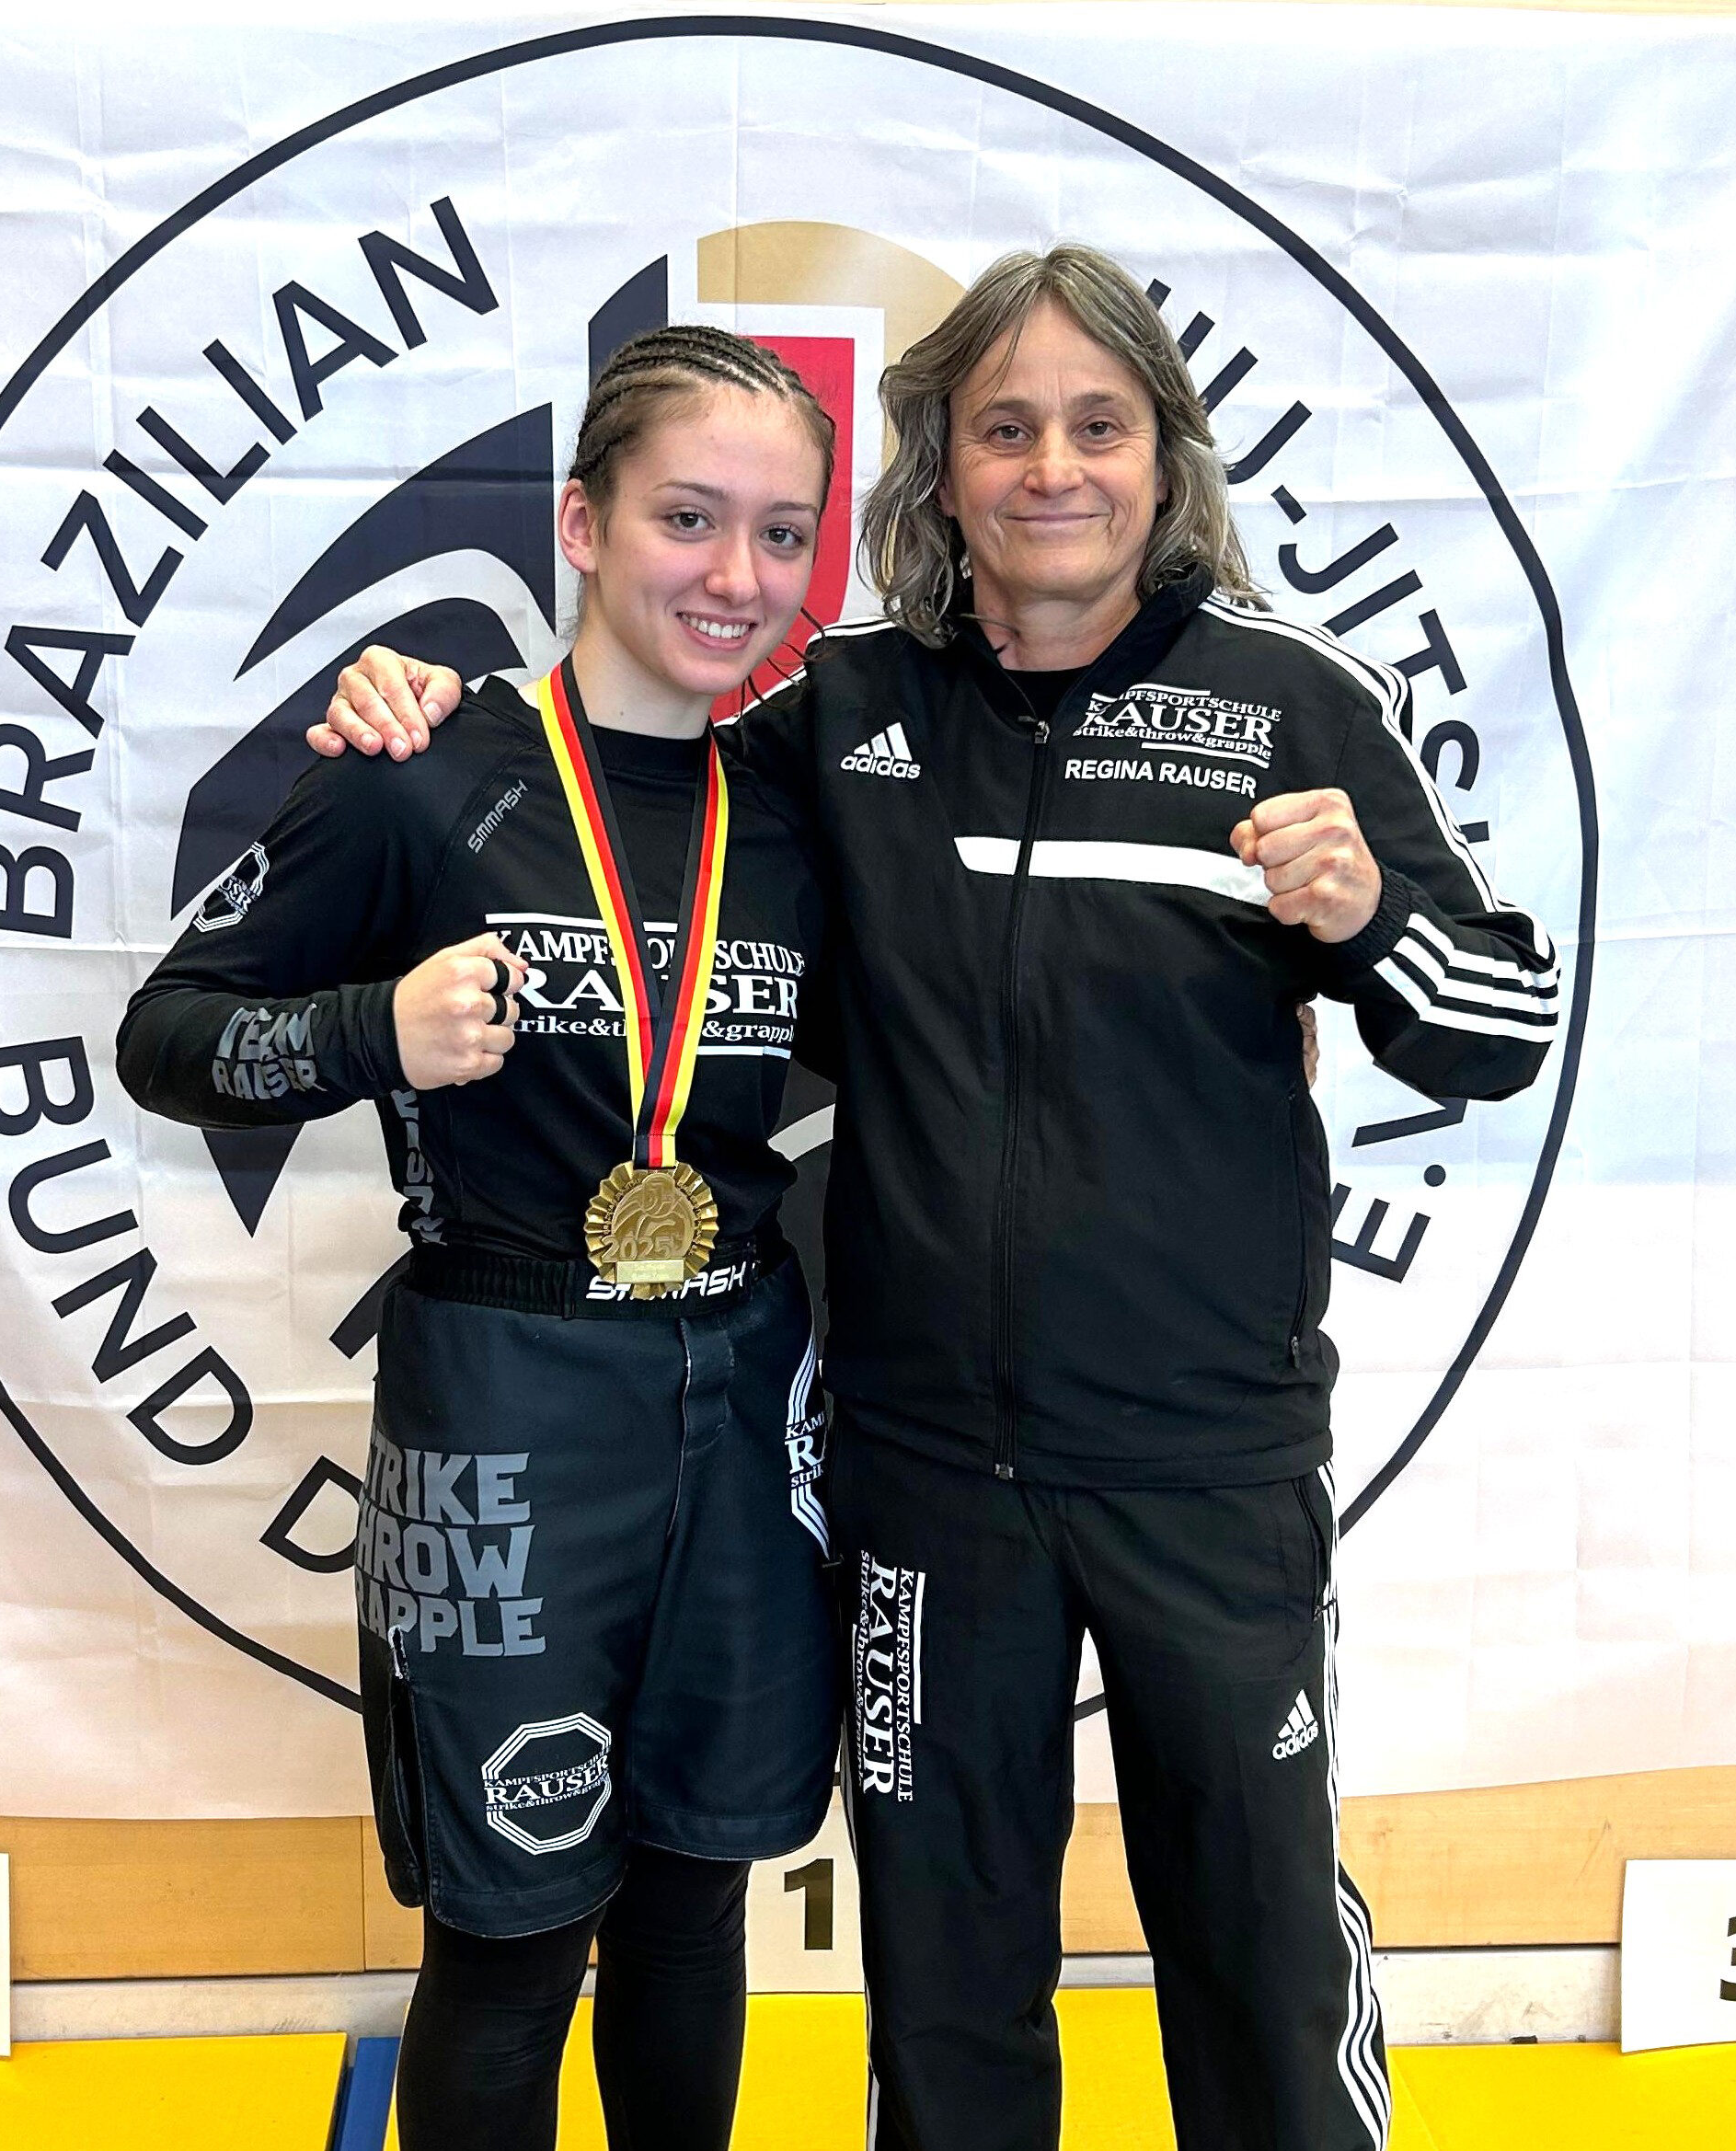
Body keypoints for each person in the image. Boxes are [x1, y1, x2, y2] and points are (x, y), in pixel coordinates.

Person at [316, 246, 1558, 2151]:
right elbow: (612, 778)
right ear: (942, 465)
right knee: (947, 1974)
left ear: (1163, 457)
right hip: (921, 1472)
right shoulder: (843, 712)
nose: (1051, 466)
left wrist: (1372, 914)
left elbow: (1497, 1030)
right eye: (1004, 426)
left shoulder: (1290, 700)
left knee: (1257, 1949)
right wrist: (428, 704)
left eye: (1097, 424)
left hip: (1206, 1462)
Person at [118, 327, 845, 2151]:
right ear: (581, 522)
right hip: (505, 1396)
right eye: (688, 516)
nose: (734, 574)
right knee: (511, 1936)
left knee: (692, 1897)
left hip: (745, 1387)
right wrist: (376, 1028)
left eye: (779, 534)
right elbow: (166, 1035)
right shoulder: (422, 769)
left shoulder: (804, 805)